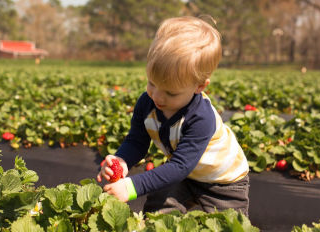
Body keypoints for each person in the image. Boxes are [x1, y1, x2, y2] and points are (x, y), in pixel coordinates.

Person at [97, 16, 250, 216]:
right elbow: (136, 141)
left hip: (224, 182)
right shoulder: (146, 103)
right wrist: (122, 160)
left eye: (171, 93)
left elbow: (180, 166)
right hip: (185, 176)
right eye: (152, 83)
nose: (157, 96)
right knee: (158, 206)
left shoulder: (201, 118)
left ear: (200, 86)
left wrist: (131, 187)